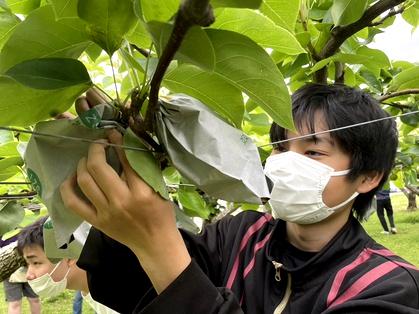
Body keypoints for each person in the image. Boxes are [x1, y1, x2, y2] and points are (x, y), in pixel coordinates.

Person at [60, 83, 419, 313]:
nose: (282, 163)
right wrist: (119, 177)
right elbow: (128, 288)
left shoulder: (390, 288)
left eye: (312, 153)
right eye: (280, 146)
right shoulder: (241, 235)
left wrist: (157, 246)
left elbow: (170, 267)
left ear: (369, 177)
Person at [16, 216, 119, 314]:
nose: (29, 275)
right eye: (27, 264)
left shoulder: (118, 291)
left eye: (36, 263)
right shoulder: (92, 292)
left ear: (70, 257)